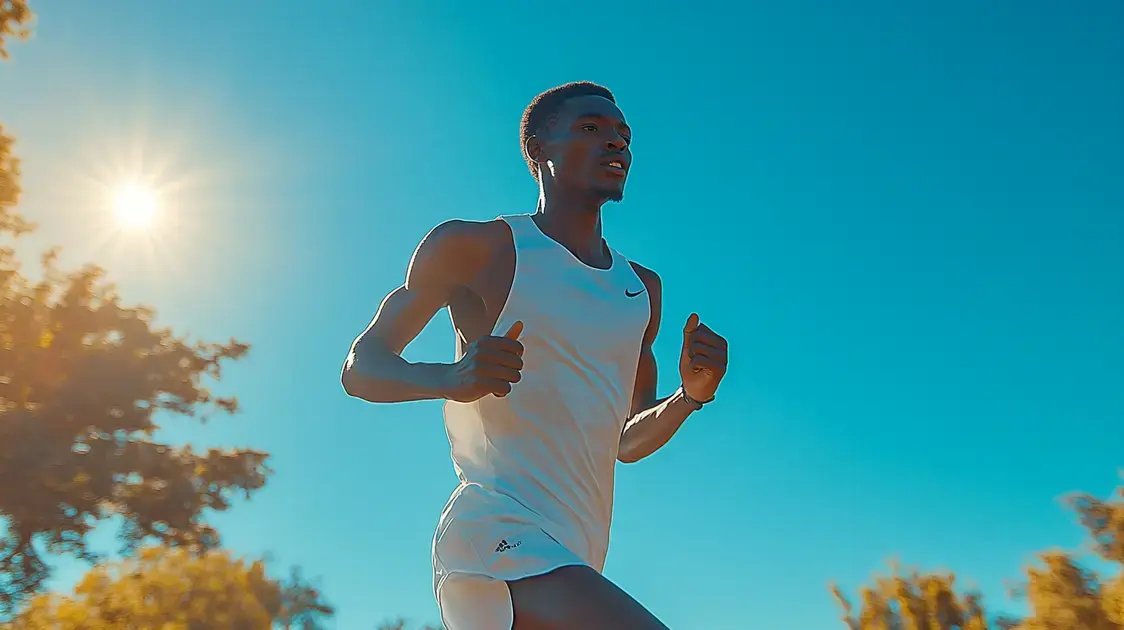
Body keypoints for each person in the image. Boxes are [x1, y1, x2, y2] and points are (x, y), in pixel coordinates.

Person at [341, 81, 729, 629]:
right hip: (493, 537)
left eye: (624, 135)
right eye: (592, 129)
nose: (616, 144)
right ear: (540, 149)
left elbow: (625, 439)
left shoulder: (642, 290)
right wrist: (452, 377)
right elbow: (362, 367)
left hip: (577, 557)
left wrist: (690, 398)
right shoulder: (476, 248)